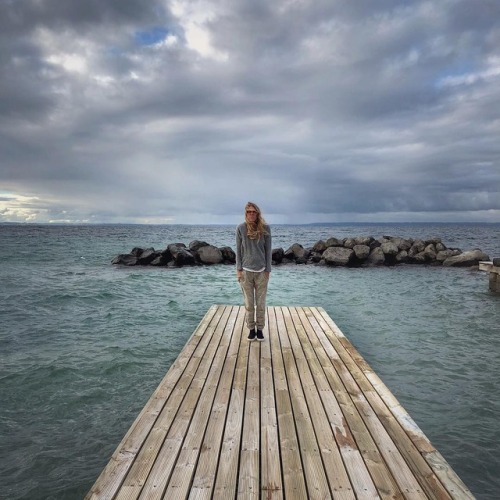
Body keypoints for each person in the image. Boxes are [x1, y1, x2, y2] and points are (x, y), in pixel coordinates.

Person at [236, 202, 272, 341]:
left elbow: (268, 251)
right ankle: (251, 329)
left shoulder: (266, 229)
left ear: (257, 213)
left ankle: (260, 329)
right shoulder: (240, 228)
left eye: (254, 212)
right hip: (246, 271)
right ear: (246, 214)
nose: (251, 214)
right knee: (249, 304)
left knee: (261, 304)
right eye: (249, 212)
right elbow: (238, 251)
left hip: (262, 271)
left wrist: (268, 270)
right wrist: (238, 270)